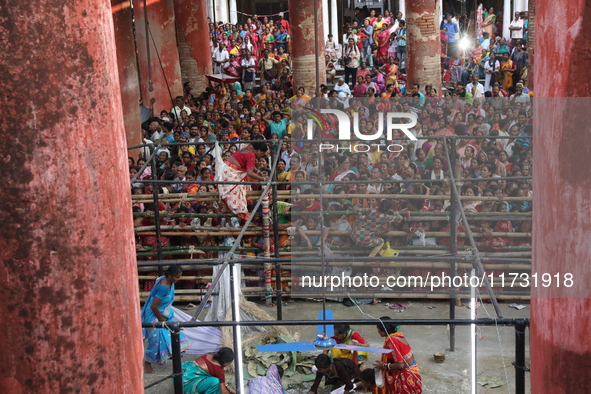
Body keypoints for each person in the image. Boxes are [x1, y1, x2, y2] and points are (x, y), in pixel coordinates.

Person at [141, 265, 191, 374]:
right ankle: (147, 362)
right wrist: (161, 320)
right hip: (154, 316)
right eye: (176, 277)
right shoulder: (163, 287)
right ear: (169, 275)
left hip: (161, 314)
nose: (178, 280)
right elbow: (154, 306)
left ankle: (177, 362)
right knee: (156, 341)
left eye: (179, 277)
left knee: (172, 337)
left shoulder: (169, 282)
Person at [218, 141, 269, 221]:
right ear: (258, 150)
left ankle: (228, 207)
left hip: (226, 169)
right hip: (231, 172)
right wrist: (263, 179)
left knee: (234, 191)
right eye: (261, 153)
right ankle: (238, 211)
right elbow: (249, 172)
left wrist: (258, 172)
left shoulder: (247, 147)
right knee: (239, 192)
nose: (261, 156)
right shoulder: (251, 154)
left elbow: (248, 166)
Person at [371, 317, 422, 394]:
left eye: (378, 329)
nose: (377, 331)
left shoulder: (393, 342)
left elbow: (400, 365)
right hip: (410, 367)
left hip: (406, 374)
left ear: (384, 332)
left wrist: (384, 365)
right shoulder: (398, 335)